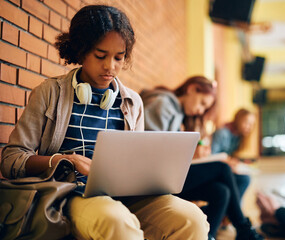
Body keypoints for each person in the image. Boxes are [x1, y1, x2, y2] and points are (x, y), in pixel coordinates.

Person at [0, 5, 210, 240]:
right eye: (101, 56)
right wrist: (64, 159)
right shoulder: (50, 93)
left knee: (192, 219)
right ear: (81, 51)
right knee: (117, 221)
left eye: (119, 58)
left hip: (126, 195)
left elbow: (138, 162)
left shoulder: (133, 102)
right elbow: (11, 160)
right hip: (72, 193)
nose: (110, 66)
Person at [141, 77, 263, 240]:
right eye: (202, 104)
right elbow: (151, 150)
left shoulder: (177, 113)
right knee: (222, 168)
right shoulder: (162, 104)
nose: (200, 111)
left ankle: (209, 236)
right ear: (192, 89)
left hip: (169, 174)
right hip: (155, 178)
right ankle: (243, 228)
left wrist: (192, 153)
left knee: (221, 191)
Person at [211, 108, 256, 203]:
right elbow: (212, 156)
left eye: (251, 124)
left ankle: (233, 211)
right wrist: (229, 161)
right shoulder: (222, 133)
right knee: (244, 180)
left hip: (225, 170)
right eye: (246, 123)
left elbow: (229, 156)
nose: (249, 127)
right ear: (238, 120)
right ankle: (234, 212)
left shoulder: (238, 137)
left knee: (243, 179)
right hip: (215, 170)